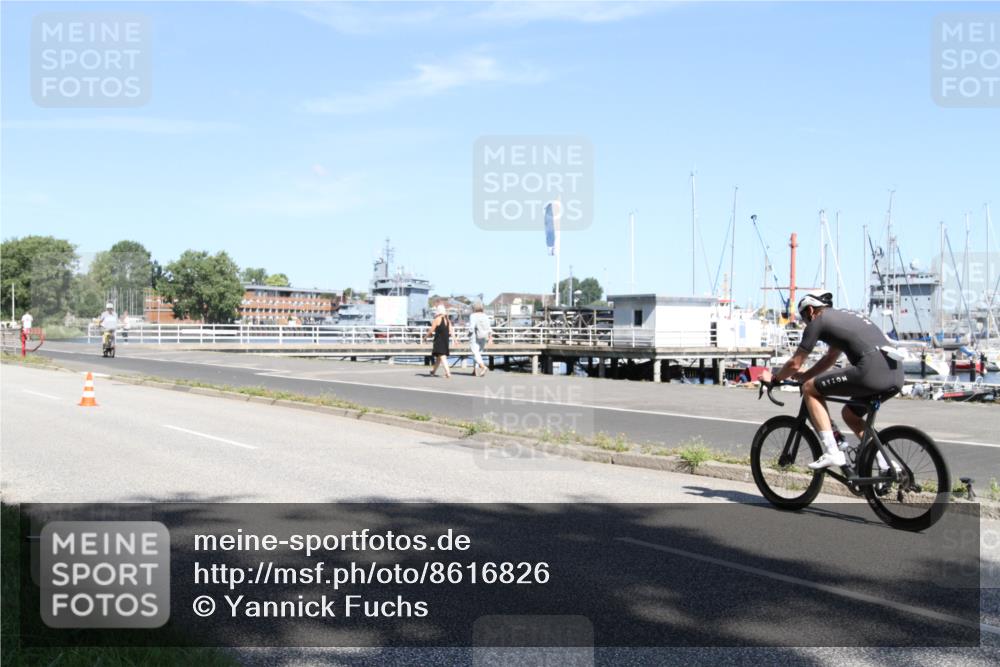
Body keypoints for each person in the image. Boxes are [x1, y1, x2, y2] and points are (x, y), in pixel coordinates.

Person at [760, 290, 904, 471]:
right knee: (851, 415)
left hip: (870, 370)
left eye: (804, 317)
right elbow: (830, 358)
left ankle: (832, 452)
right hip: (896, 373)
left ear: (810, 310)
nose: (805, 322)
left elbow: (795, 363)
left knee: (809, 390)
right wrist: (806, 376)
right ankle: (888, 466)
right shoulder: (843, 317)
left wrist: (773, 378)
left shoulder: (818, 321)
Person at [425, 304, 452, 378]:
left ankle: (448, 372)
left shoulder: (437, 319)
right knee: (439, 357)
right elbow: (451, 330)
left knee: (442, 356)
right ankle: (433, 371)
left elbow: (431, 330)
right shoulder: (447, 320)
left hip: (439, 340)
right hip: (445, 340)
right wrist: (455, 340)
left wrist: (425, 337)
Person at [468, 302, 493, 376]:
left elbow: (472, 327)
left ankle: (483, 367)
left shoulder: (473, 315)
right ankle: (475, 371)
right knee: (478, 353)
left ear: (474, 308)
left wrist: (469, 333)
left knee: (475, 353)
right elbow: (489, 327)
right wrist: (490, 337)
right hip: (483, 336)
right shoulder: (485, 315)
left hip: (475, 336)